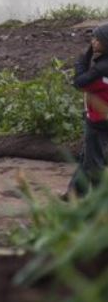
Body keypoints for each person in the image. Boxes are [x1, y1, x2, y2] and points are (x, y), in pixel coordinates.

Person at [64, 24, 108, 198]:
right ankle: (74, 193)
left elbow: (80, 83)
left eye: (97, 39)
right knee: (86, 156)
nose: (93, 41)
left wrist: (82, 60)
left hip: (98, 121)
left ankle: (99, 204)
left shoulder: (102, 69)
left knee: (93, 162)